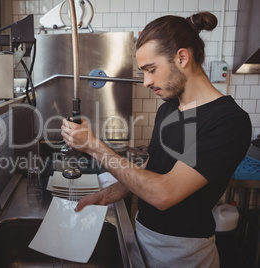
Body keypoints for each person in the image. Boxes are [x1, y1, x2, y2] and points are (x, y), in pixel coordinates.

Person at [61, 12, 252, 268]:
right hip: (143, 239)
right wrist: (109, 195)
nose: (146, 81)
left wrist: (94, 146)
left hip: (184, 255)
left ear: (182, 57)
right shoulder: (170, 109)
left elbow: (164, 193)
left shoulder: (228, 121)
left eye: (151, 70)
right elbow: (155, 171)